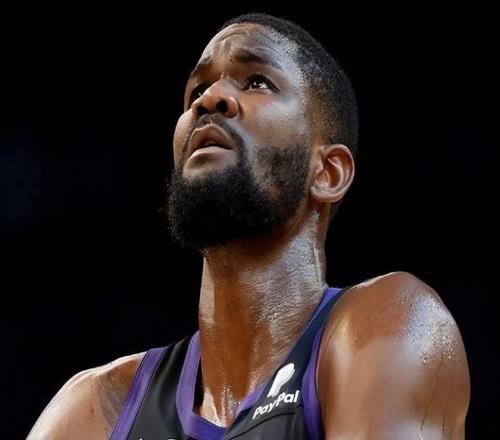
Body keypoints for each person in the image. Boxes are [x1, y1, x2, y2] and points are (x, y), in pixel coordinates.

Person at [28, 13, 470, 440]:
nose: (210, 99)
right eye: (198, 89)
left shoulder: (391, 324)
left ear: (327, 173)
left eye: (257, 81)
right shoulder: (93, 410)